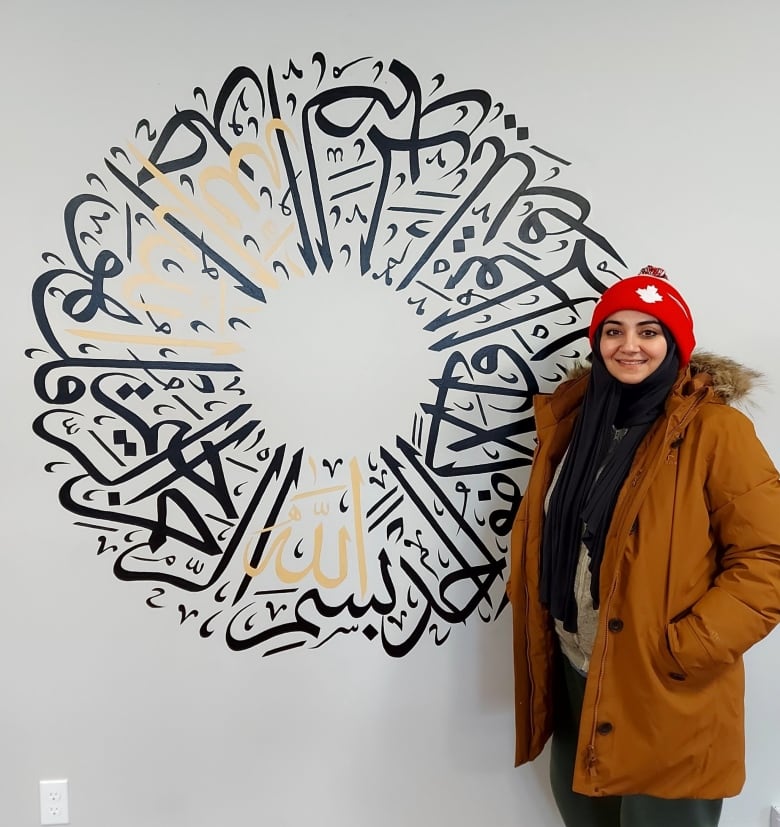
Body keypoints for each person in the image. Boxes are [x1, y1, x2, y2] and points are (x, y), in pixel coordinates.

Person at [507, 266, 780, 827]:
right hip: (578, 672)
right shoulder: (576, 423)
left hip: (666, 688)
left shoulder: (716, 432)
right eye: (614, 330)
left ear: (676, 343)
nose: (629, 345)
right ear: (597, 340)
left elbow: (768, 558)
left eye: (649, 331)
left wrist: (684, 648)